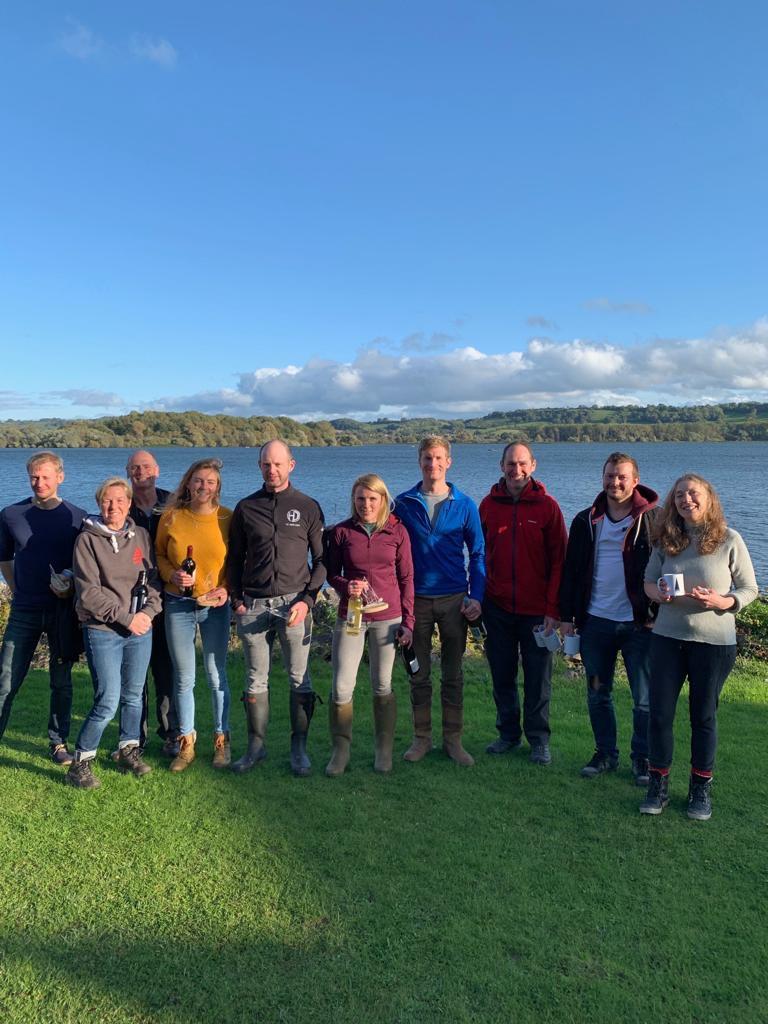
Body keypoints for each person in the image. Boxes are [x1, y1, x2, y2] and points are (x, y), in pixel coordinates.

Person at [640, 474, 757, 821]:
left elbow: (749, 589)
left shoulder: (729, 539)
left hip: (713, 644)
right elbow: (647, 582)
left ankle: (700, 787)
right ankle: (658, 783)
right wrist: (658, 594)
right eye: (679, 495)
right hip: (667, 638)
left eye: (693, 494)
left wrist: (723, 600)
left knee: (702, 715)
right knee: (659, 713)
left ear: (709, 499)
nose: (685, 500)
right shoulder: (666, 540)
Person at [226, 440, 326, 777]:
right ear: (259, 466)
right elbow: (234, 558)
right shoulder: (245, 508)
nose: (273, 470)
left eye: (279, 464)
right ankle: (256, 746)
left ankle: (299, 748)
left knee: (299, 677)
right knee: (256, 678)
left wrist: (308, 600)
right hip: (253, 605)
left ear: (291, 465)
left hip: (294, 605)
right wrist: (237, 599)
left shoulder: (308, 507)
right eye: (266, 465)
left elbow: (322, 561)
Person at [560, 452, 658, 784]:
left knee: (644, 698)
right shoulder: (585, 520)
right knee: (597, 692)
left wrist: (658, 613)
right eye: (609, 476)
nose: (614, 482)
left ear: (635, 479)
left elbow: (669, 570)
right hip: (595, 623)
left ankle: (642, 759)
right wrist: (566, 617)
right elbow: (571, 572)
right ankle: (605, 754)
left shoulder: (653, 520)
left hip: (639, 626)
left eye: (621, 476)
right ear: (602, 478)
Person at [65, 477, 162, 789]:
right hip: (102, 630)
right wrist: (126, 618)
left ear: (129, 503)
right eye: (107, 500)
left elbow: (153, 582)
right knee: (108, 699)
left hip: (139, 629)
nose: (113, 507)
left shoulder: (142, 537)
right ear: (98, 504)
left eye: (120, 500)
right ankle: (80, 763)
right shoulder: (87, 541)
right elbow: (90, 594)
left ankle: (128, 749)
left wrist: (147, 614)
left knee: (134, 694)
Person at [394, 436, 485, 766]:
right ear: (419, 461)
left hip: (453, 601)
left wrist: (477, 596)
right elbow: (391, 551)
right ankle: (421, 739)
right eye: (426, 458)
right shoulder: (403, 504)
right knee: (417, 673)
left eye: (438, 458)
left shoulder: (464, 504)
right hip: (415, 601)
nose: (432, 464)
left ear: (449, 462)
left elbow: (477, 554)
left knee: (452, 674)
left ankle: (453, 740)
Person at [479, 441, 567, 766]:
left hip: (536, 613)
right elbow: (479, 555)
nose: (516, 470)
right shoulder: (488, 505)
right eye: (510, 464)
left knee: (537, 679)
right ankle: (508, 734)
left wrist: (553, 609)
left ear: (533, 465)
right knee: (502, 675)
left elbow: (560, 561)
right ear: (501, 466)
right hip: (497, 607)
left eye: (522, 464)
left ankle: (539, 740)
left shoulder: (548, 507)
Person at [324, 474, 414, 776]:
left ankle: (383, 749)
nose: (366, 504)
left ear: (383, 500)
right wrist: (345, 584)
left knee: (382, 685)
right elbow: (330, 573)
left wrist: (409, 622)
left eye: (372, 499)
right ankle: (341, 750)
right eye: (361, 499)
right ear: (354, 500)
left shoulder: (398, 531)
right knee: (340, 687)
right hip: (351, 617)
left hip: (388, 619)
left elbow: (406, 579)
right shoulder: (341, 532)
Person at [0, 452, 86, 764]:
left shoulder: (77, 518)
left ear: (60, 477)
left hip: (62, 611)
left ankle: (59, 742)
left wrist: (70, 581)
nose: (40, 483)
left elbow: (85, 564)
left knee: (61, 681)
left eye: (46, 477)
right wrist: (16, 588)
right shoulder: (11, 514)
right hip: (25, 610)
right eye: (35, 477)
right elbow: (4, 558)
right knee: (6, 678)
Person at [155, 459, 232, 772]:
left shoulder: (228, 517)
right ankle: (186, 742)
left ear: (217, 486)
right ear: (188, 483)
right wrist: (172, 575)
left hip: (215, 606)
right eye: (198, 481)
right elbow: (159, 554)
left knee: (216, 675)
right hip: (179, 605)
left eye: (210, 482)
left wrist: (227, 588)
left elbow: (237, 560)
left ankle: (221, 741)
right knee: (184, 677)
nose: (204, 487)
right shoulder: (171, 517)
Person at [125, 449, 178, 756]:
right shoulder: (121, 504)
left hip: (167, 597)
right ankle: (134, 737)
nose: (140, 471)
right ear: (128, 472)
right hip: (130, 601)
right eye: (134, 467)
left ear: (157, 470)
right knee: (134, 672)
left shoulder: (172, 503)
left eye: (145, 466)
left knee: (165, 668)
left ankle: (170, 732)